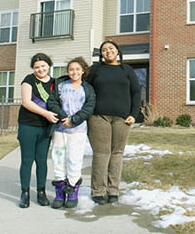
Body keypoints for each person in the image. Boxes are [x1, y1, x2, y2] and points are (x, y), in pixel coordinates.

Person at [86, 40, 141, 204]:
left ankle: (113, 191)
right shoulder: (95, 69)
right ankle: (98, 191)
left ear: (117, 51)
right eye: (104, 50)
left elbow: (136, 92)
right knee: (102, 153)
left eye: (111, 48)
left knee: (117, 153)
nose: (107, 51)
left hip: (122, 119)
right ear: (101, 54)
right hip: (98, 117)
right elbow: (85, 90)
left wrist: (134, 114)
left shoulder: (127, 70)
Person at [47, 57, 96, 209]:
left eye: (77, 69)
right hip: (60, 130)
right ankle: (60, 193)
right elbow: (52, 102)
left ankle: (73, 191)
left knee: (74, 160)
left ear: (83, 71)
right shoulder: (60, 85)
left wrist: (74, 120)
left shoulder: (87, 88)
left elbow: (89, 107)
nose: (74, 72)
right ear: (68, 71)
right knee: (58, 158)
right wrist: (63, 118)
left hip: (78, 130)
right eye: (71, 69)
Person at [17, 53, 58, 208]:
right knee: (27, 160)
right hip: (28, 125)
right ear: (33, 69)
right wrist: (45, 113)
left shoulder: (55, 83)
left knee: (41, 161)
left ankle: (41, 192)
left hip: (45, 127)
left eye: (43, 65)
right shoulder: (29, 80)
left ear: (48, 65)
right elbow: (26, 102)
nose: (40, 69)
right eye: (36, 67)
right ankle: (25, 193)